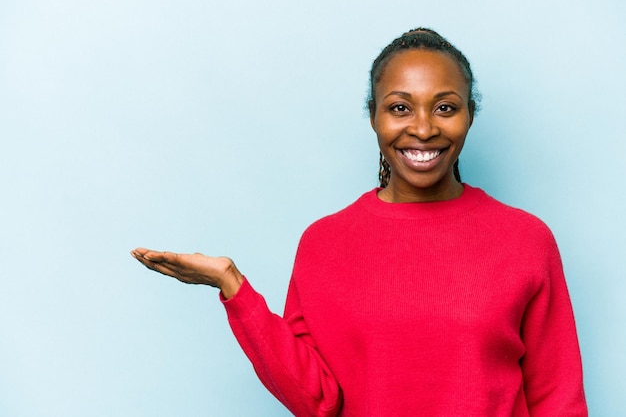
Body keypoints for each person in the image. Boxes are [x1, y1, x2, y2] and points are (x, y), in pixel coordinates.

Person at [131, 28, 587, 416]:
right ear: (373, 116)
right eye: (400, 107)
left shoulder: (525, 240)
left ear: (470, 115)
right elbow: (318, 400)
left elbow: (559, 400)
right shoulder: (324, 242)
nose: (424, 128)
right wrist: (232, 286)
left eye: (445, 107)